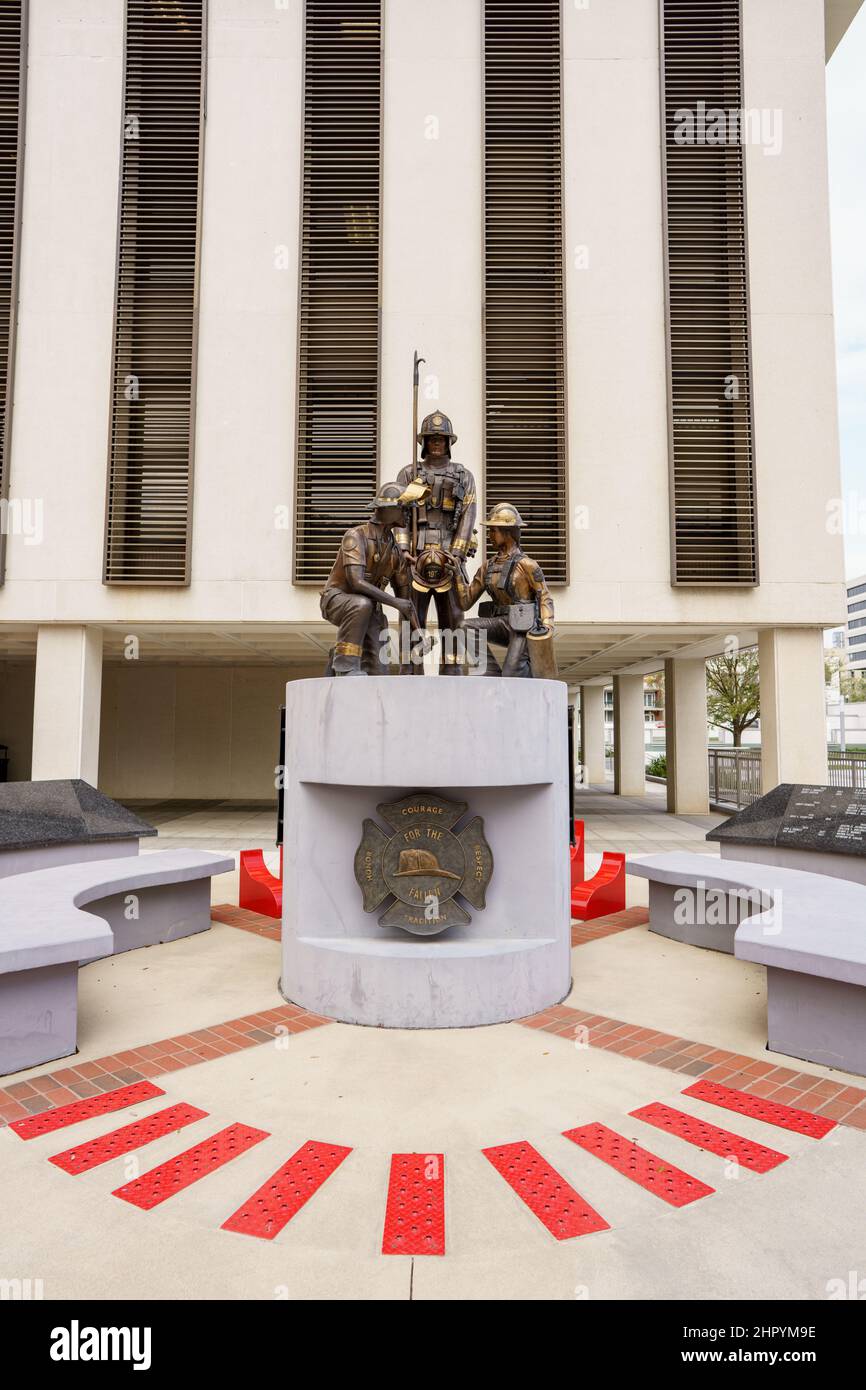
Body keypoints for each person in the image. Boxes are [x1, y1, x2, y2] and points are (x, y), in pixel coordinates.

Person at [395, 411, 477, 673]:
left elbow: (468, 516)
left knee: (453, 616)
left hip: (450, 556)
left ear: (449, 442)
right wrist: (404, 549)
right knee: (411, 616)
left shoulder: (464, 476)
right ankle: (411, 667)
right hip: (415, 557)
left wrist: (457, 554)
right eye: (431, 438)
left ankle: (451, 668)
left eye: (441, 438)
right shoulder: (409, 473)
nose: (437, 442)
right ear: (424, 442)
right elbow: (398, 515)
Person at [448, 502, 555, 678]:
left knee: (512, 672)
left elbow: (545, 597)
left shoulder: (527, 565)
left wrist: (547, 626)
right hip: (502, 623)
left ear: (508, 533)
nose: (489, 535)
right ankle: (490, 674)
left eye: (493, 530)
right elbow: (465, 602)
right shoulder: (487, 566)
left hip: (524, 626)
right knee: (465, 626)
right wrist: (457, 576)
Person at [320, 483, 417, 676]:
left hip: (370, 608)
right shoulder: (356, 536)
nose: (409, 514)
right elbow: (355, 581)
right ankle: (345, 665)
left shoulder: (396, 550)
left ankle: (337, 656)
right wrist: (395, 602)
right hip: (338, 599)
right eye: (405, 509)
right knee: (361, 604)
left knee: (379, 671)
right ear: (391, 510)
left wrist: (417, 631)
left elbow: (406, 600)